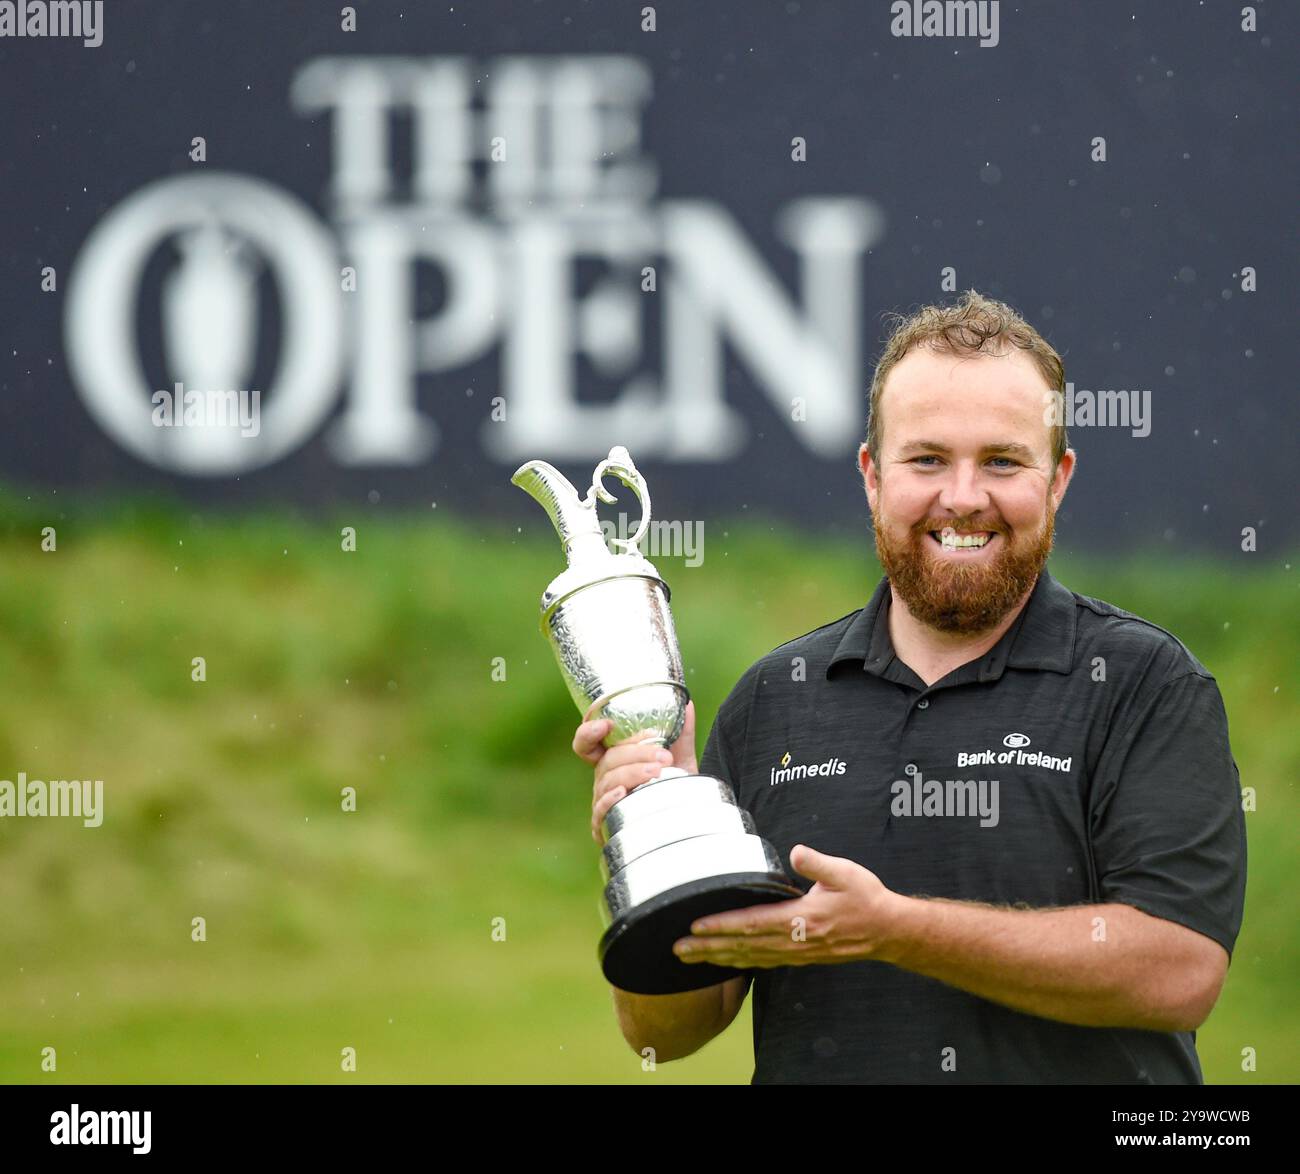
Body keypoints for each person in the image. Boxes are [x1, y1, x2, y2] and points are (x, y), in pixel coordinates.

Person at [572, 290, 1247, 1084]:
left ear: (1057, 479)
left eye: (1001, 460)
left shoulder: (1144, 684)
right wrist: (650, 843)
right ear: (872, 475)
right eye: (927, 460)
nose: (962, 497)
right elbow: (668, 1034)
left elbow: (1178, 973)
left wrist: (894, 930)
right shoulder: (772, 701)